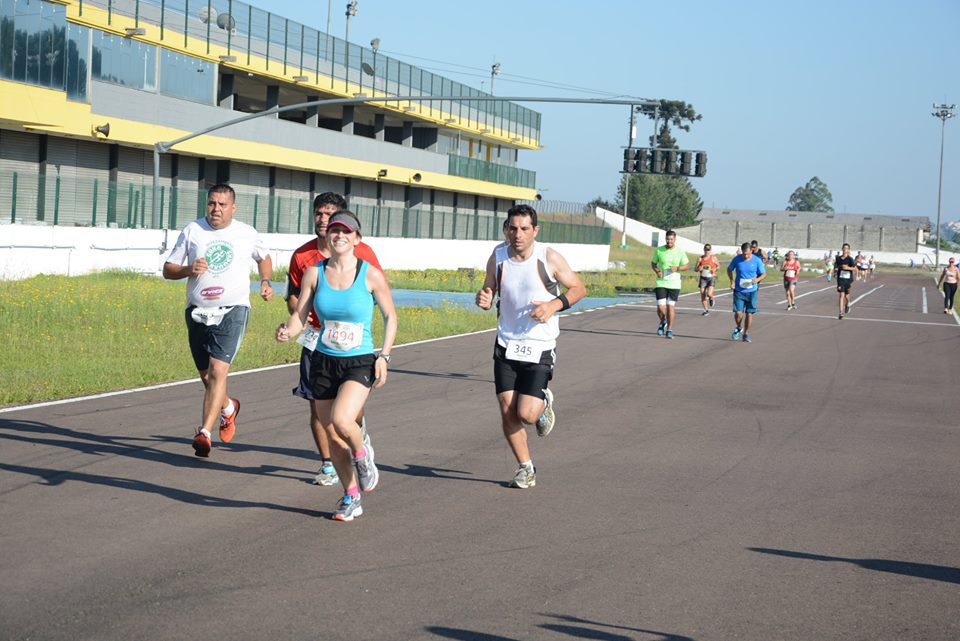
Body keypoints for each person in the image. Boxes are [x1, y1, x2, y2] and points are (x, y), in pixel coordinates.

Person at [277, 211, 397, 522]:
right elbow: (300, 316)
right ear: (328, 237)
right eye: (334, 230)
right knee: (332, 434)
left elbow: (390, 317)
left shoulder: (370, 274)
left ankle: (363, 456)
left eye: (346, 231)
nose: (339, 235)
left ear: (357, 238)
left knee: (344, 421)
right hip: (324, 359)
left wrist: (383, 356)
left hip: (358, 361)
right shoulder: (314, 273)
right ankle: (351, 496)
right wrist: (287, 331)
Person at [475, 204, 586, 489]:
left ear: (535, 230)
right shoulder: (498, 257)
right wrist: (485, 298)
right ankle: (525, 467)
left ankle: (544, 402)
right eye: (512, 228)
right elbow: (490, 288)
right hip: (506, 343)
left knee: (526, 414)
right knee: (506, 409)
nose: (518, 234)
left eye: (524, 229)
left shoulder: (548, 257)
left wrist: (553, 304)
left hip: (539, 344)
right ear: (505, 229)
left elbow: (578, 288)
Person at [163, 183, 274, 457]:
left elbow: (264, 257)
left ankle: (204, 433)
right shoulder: (193, 231)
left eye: (222, 204)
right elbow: (168, 269)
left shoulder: (246, 233)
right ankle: (228, 407)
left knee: (218, 372)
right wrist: (189, 268)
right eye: (212, 203)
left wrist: (266, 281)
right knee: (207, 376)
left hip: (233, 309)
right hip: (197, 311)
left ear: (233, 208)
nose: (216, 209)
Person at [287, 192, 382, 486]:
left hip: (352, 345)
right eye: (319, 213)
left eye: (329, 215)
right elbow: (293, 296)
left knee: (347, 412)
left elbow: (375, 297)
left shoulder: (363, 252)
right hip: (315, 338)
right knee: (317, 404)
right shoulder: (303, 256)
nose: (323, 219)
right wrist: (297, 319)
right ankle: (328, 462)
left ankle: (358, 434)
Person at [650, 230, 690, 338]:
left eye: (671, 239)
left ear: (675, 239)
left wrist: (677, 268)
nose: (669, 241)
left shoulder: (680, 251)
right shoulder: (659, 250)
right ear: (665, 239)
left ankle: (669, 330)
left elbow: (687, 266)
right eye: (668, 239)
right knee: (660, 308)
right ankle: (663, 321)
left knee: (670, 307)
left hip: (674, 284)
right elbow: (653, 264)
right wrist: (657, 271)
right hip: (661, 282)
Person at [726, 242, 766, 343]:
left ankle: (746, 334)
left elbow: (764, 273)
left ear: (751, 251)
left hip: (752, 291)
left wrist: (757, 279)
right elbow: (729, 269)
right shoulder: (737, 259)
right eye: (744, 254)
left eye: (747, 254)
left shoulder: (757, 261)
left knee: (749, 314)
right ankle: (739, 327)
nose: (745, 256)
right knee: (738, 313)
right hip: (739, 290)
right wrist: (732, 281)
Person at [695, 243, 720, 316]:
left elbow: (718, 266)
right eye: (706, 250)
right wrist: (699, 268)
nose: (707, 252)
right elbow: (695, 269)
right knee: (702, 295)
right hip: (703, 278)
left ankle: (711, 298)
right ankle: (706, 310)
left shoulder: (713, 258)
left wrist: (714, 269)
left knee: (709, 293)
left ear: (710, 250)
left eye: (708, 250)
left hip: (711, 278)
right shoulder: (700, 258)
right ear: (704, 250)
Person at [834, 243, 857, 319]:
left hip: (848, 280)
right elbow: (836, 266)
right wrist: (835, 270)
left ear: (848, 250)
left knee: (847, 294)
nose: (845, 249)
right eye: (844, 248)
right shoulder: (838, 258)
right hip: (840, 279)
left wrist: (848, 268)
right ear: (842, 249)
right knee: (841, 295)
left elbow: (855, 269)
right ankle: (841, 313)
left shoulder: (850, 259)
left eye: (847, 248)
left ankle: (848, 303)